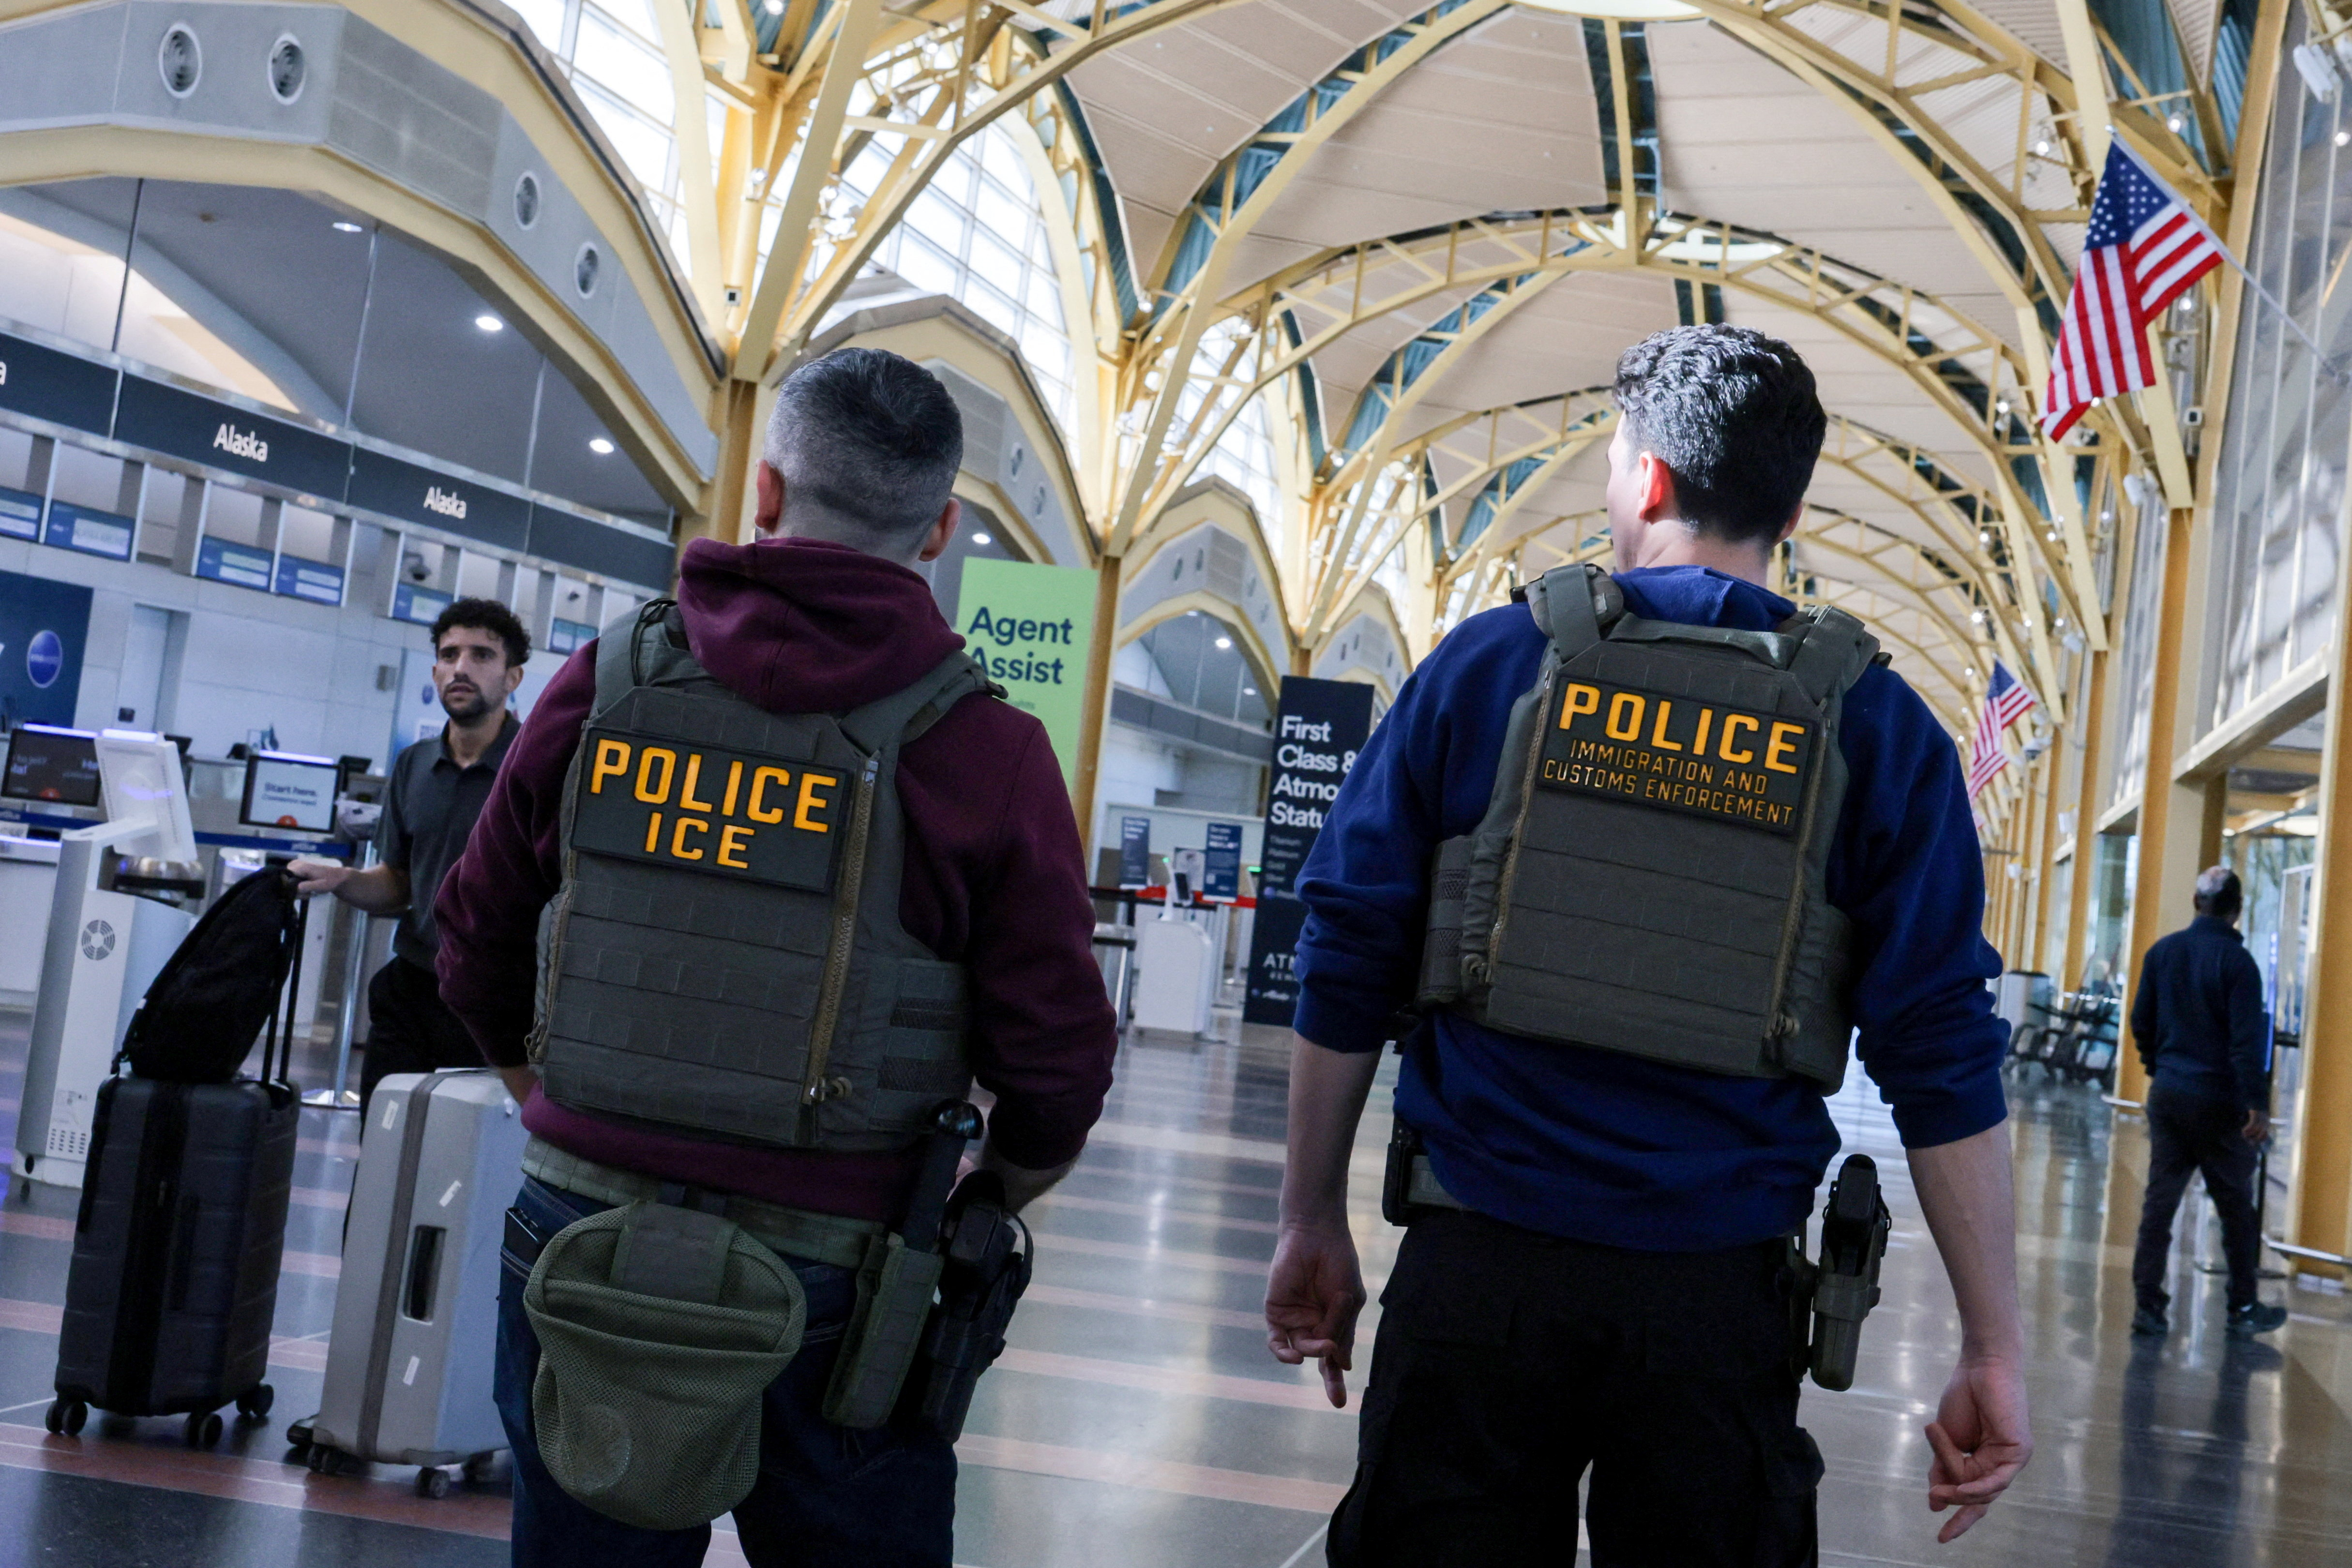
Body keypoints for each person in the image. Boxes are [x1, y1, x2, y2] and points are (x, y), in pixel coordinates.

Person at [1265, 324, 2033, 1565]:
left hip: (1478, 1269)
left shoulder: (1490, 665)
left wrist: (1308, 1215)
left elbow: (1348, 945)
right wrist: (1992, 1345)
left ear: (1648, 481)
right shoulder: (1877, 727)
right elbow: (1941, 1049)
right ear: (1786, 505)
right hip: (1716, 1300)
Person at [432, 347, 1116, 1568]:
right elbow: (1059, 1061)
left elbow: (474, 931)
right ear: (940, 527)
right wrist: (995, 1190)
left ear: (762, 489)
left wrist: (552, 1101)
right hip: (844, 1278)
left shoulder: (612, 681)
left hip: (582, 1232)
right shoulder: (988, 748)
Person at [292, 598, 528, 1109]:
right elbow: (399, 884)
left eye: (482, 656)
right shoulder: (414, 764)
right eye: (450, 654)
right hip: (415, 987)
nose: (461, 668)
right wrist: (343, 880)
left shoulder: (537, 766)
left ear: (513, 678)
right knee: (382, 1145)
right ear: (435, 670)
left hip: (499, 1004)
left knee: (466, 1165)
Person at [2127, 865, 2283, 1340]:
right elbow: (2245, 1043)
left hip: (2171, 1095)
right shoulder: (2240, 966)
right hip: (2219, 1103)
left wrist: (2160, 1068)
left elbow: (2141, 1022)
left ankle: (2148, 1307)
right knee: (2236, 1206)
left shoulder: (2162, 954)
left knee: (2160, 1202)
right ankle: (2241, 1304)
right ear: (2237, 911)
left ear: (2198, 904)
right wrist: (2256, 1104)